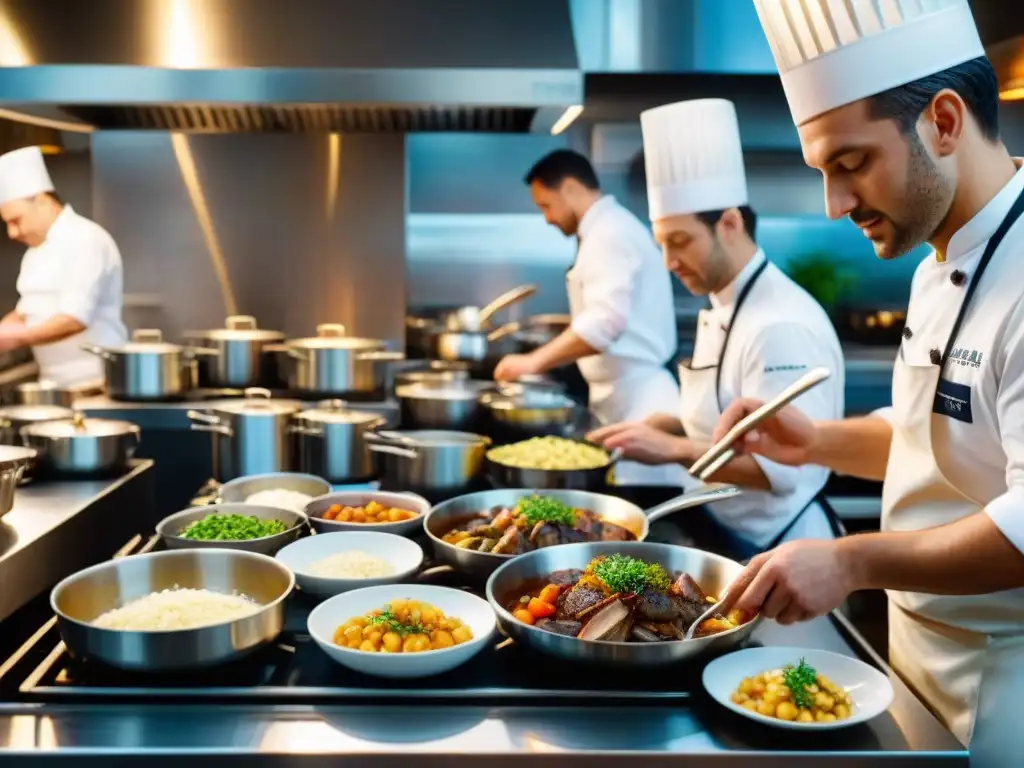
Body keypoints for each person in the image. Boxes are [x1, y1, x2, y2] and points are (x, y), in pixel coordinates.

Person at [714, 1, 1024, 759]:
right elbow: (933, 437)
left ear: (943, 123)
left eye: (851, 164)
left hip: (1003, 688)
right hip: (918, 655)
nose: (836, 204)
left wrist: (852, 559)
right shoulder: (939, 259)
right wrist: (813, 441)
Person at [588, 98, 846, 557]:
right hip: (727, 530)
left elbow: (778, 472)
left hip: (782, 544)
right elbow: (726, 415)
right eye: (661, 245)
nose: (669, 262)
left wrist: (671, 447)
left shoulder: (780, 325)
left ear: (729, 223)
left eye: (680, 242)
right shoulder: (724, 302)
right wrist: (664, 423)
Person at [493, 149, 682, 486]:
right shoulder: (605, 230)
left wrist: (531, 362)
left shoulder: (609, 234)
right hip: (621, 397)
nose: (547, 218)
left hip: (642, 402)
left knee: (636, 510)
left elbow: (604, 323)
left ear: (569, 188)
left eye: (545, 206)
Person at [0, 146, 127, 387]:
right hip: (54, 385)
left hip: (95, 385)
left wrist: (14, 338)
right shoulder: (35, 252)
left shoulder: (85, 239)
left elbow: (74, 319)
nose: (12, 232)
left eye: (16, 220)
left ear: (42, 202)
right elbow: (26, 310)